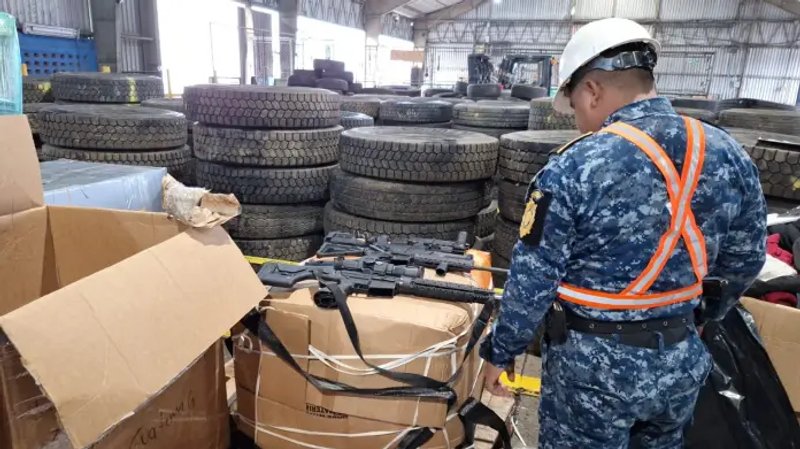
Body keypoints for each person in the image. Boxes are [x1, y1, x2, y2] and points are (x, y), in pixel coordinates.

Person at [480, 17, 767, 449]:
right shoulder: (726, 151)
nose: (578, 121)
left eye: (575, 106)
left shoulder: (575, 165)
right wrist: (699, 317)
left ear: (592, 90)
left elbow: (533, 280)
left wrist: (500, 351)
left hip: (591, 375)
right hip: (680, 361)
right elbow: (746, 259)